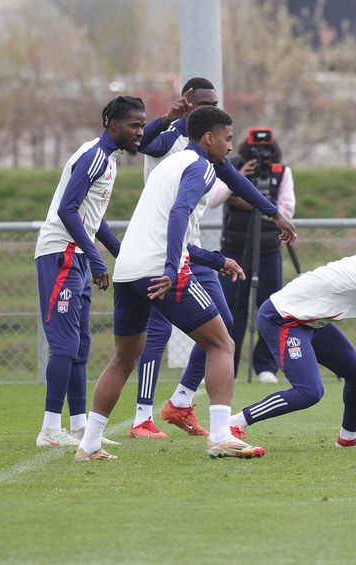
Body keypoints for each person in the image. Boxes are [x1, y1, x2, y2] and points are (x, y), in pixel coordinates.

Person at [75, 106, 296, 461]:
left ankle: (89, 445)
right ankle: (222, 435)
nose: (231, 145)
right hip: (160, 270)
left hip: (128, 270)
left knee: (122, 358)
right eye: (227, 138)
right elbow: (179, 213)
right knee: (223, 341)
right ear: (209, 138)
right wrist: (170, 268)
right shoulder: (199, 167)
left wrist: (273, 214)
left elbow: (238, 181)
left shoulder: (175, 164)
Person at [228, 226, 356, 449]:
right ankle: (235, 423)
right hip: (283, 319)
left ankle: (349, 437)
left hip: (312, 322)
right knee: (309, 391)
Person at [33, 96, 146, 448]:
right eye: (134, 125)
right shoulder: (94, 156)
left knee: (80, 345)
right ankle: (50, 429)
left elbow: (92, 218)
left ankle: (80, 425)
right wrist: (96, 258)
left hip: (77, 254)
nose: (139, 133)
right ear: (113, 125)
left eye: (142, 125)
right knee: (65, 344)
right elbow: (67, 210)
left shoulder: (108, 161)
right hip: (61, 253)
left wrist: (121, 254)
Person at [128, 78, 227, 439]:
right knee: (157, 329)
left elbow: (230, 179)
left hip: (193, 247)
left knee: (222, 325)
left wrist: (273, 212)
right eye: (203, 103)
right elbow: (145, 144)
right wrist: (169, 115)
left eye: (214, 102)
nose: (210, 108)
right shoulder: (170, 134)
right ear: (187, 103)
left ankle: (181, 402)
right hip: (163, 248)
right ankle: (141, 417)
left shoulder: (209, 144)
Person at [206, 134, 296, 385]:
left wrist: (256, 202)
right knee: (230, 307)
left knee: (270, 308)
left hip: (268, 249)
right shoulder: (230, 167)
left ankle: (266, 366)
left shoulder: (282, 172)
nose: (259, 156)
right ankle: (227, 365)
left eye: (265, 150)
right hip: (234, 249)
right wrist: (238, 180)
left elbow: (287, 210)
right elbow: (212, 199)